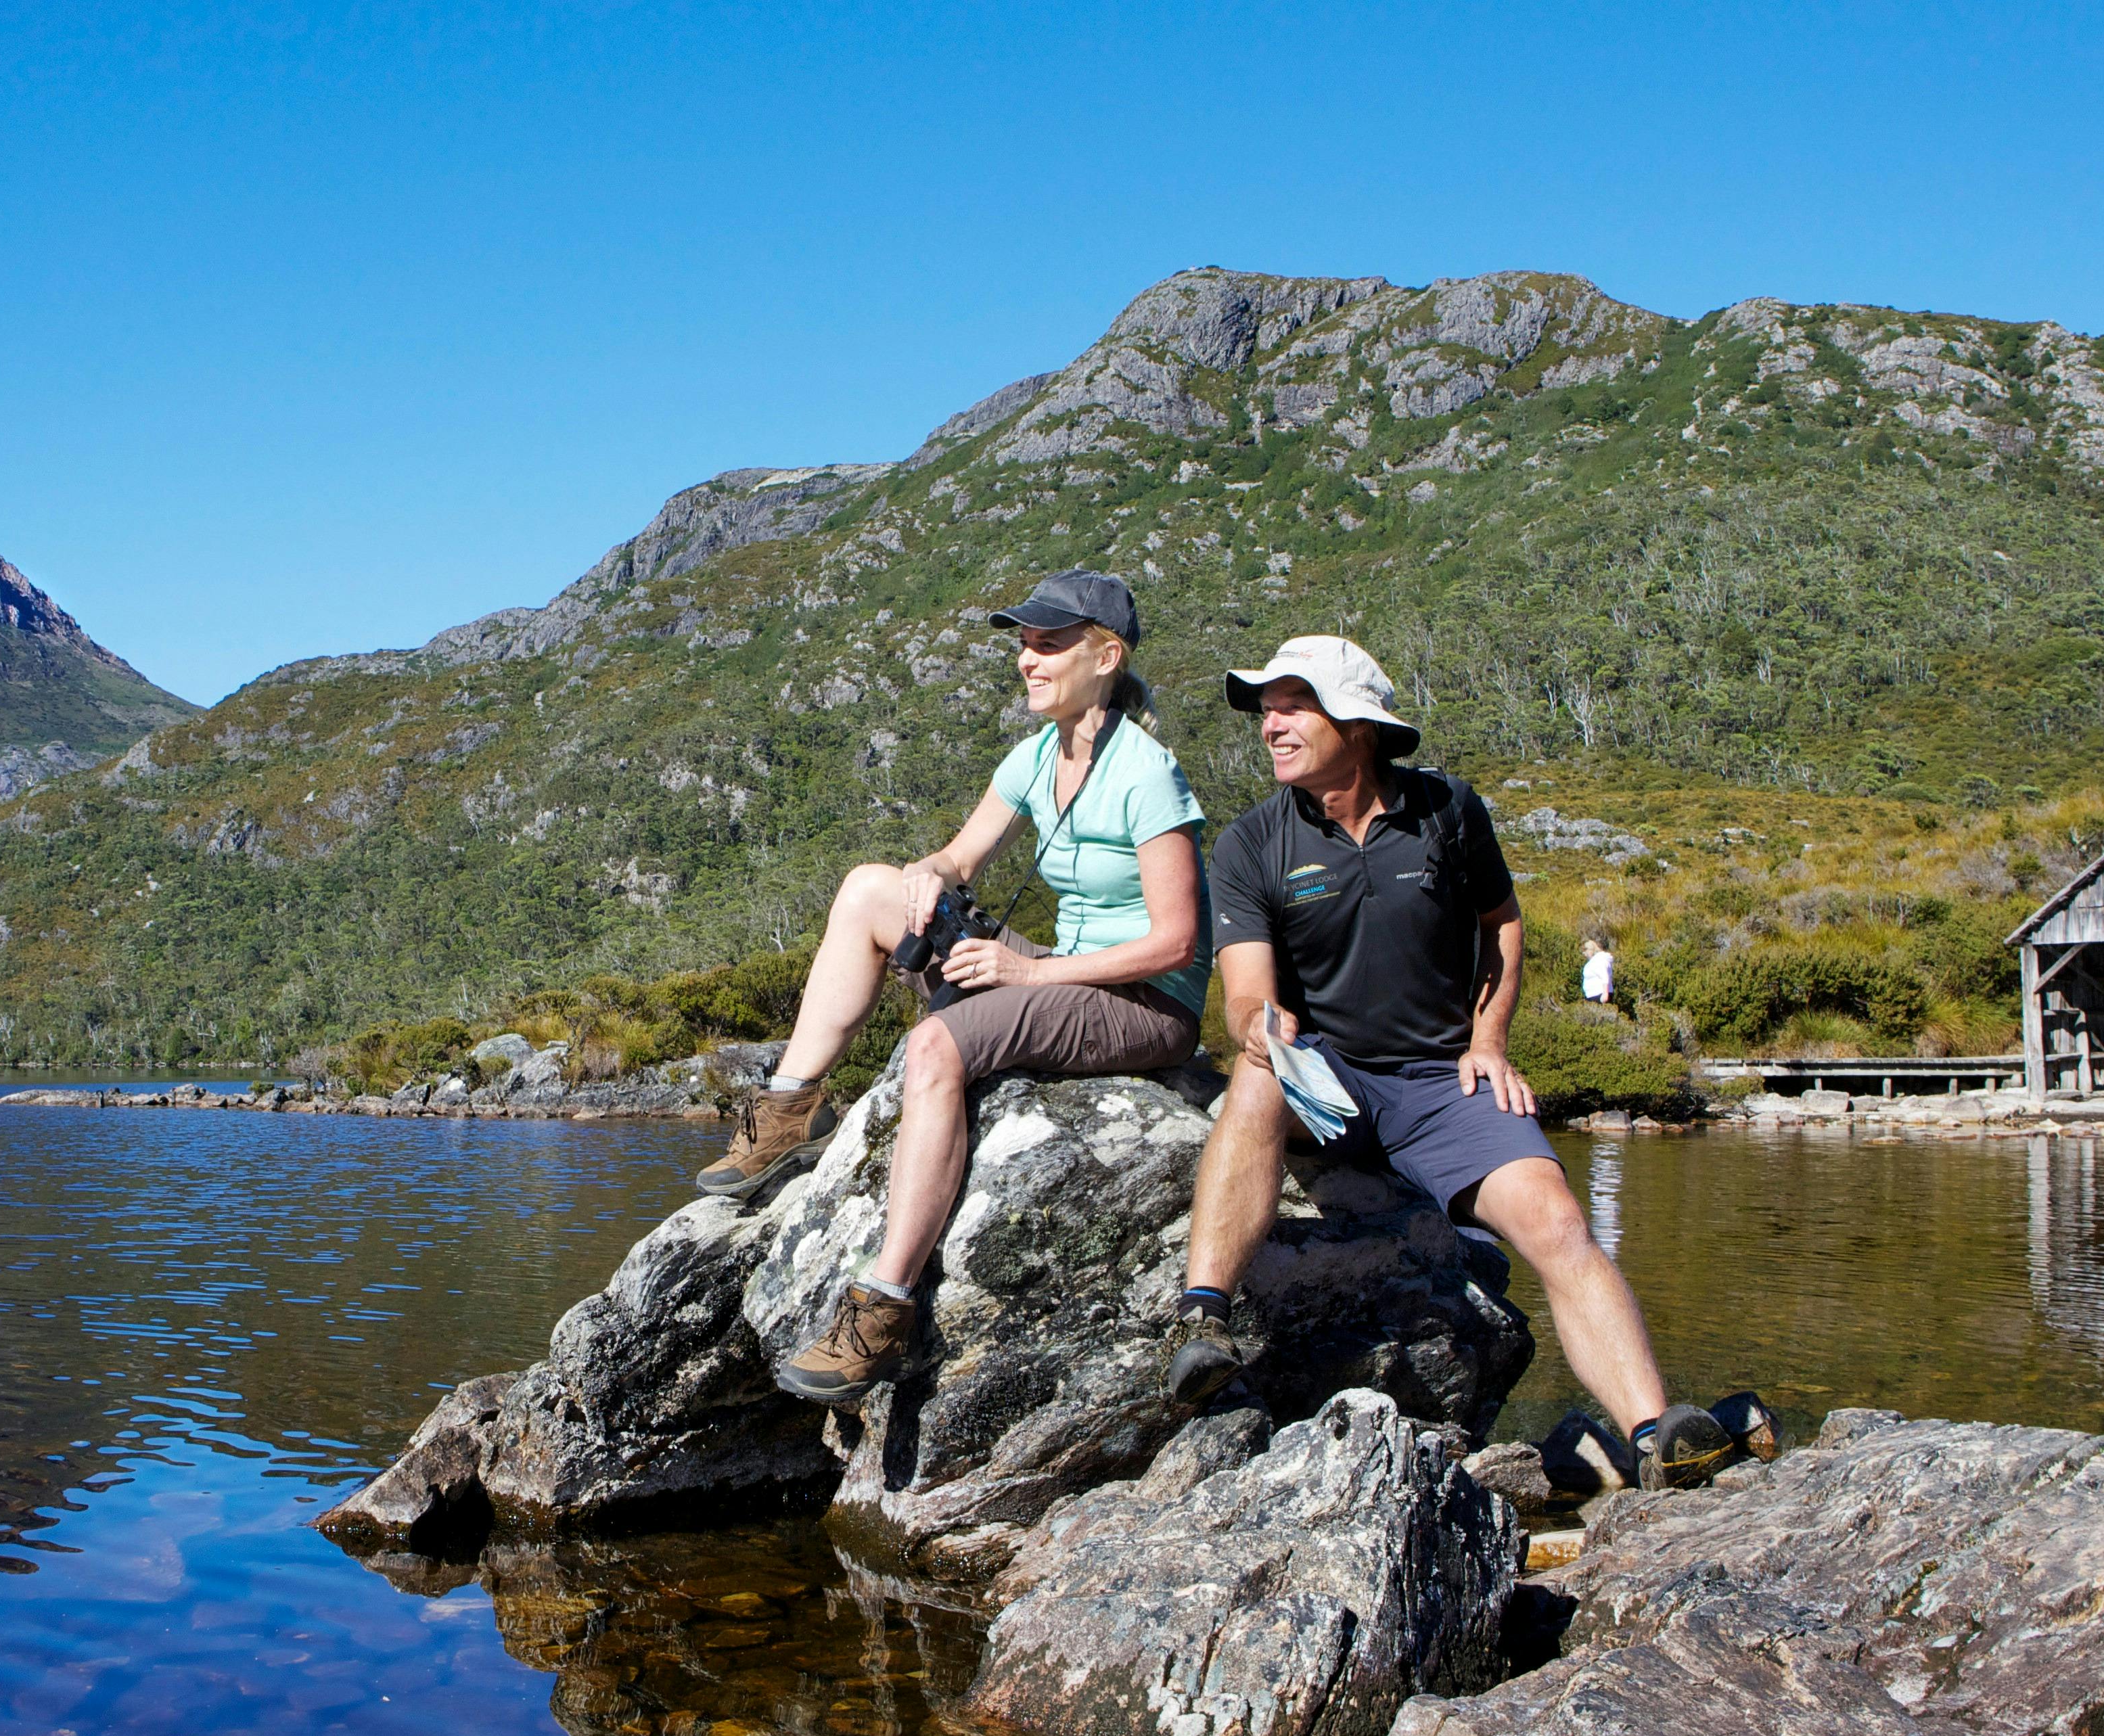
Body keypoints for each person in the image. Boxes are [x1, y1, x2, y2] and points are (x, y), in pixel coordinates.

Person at [1163, 633, 1741, 1486]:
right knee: (1258, 1068)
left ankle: (1656, 1433)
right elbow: (1246, 992)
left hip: (1442, 1084)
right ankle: (1203, 1319)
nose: (1269, 723)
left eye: (1292, 704)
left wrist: (1488, 1041)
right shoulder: (1252, 843)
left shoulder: (1447, 812)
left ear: (1356, 724)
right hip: (1328, 1079)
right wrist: (1259, 1024)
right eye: (1265, 708)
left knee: (1555, 1219)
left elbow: (1501, 923)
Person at [687, 568, 1209, 1408]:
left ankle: (883, 1307)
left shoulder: (1146, 776)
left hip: (1145, 1003)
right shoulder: (1040, 755)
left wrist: (1026, 972)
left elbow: (1177, 942)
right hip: (1065, 975)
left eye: (1048, 645)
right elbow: (959, 859)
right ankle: (787, 1111)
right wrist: (925, 877)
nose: (1027, 662)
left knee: (936, 1046)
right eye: (1024, 646)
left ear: (1106, 655)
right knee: (869, 890)